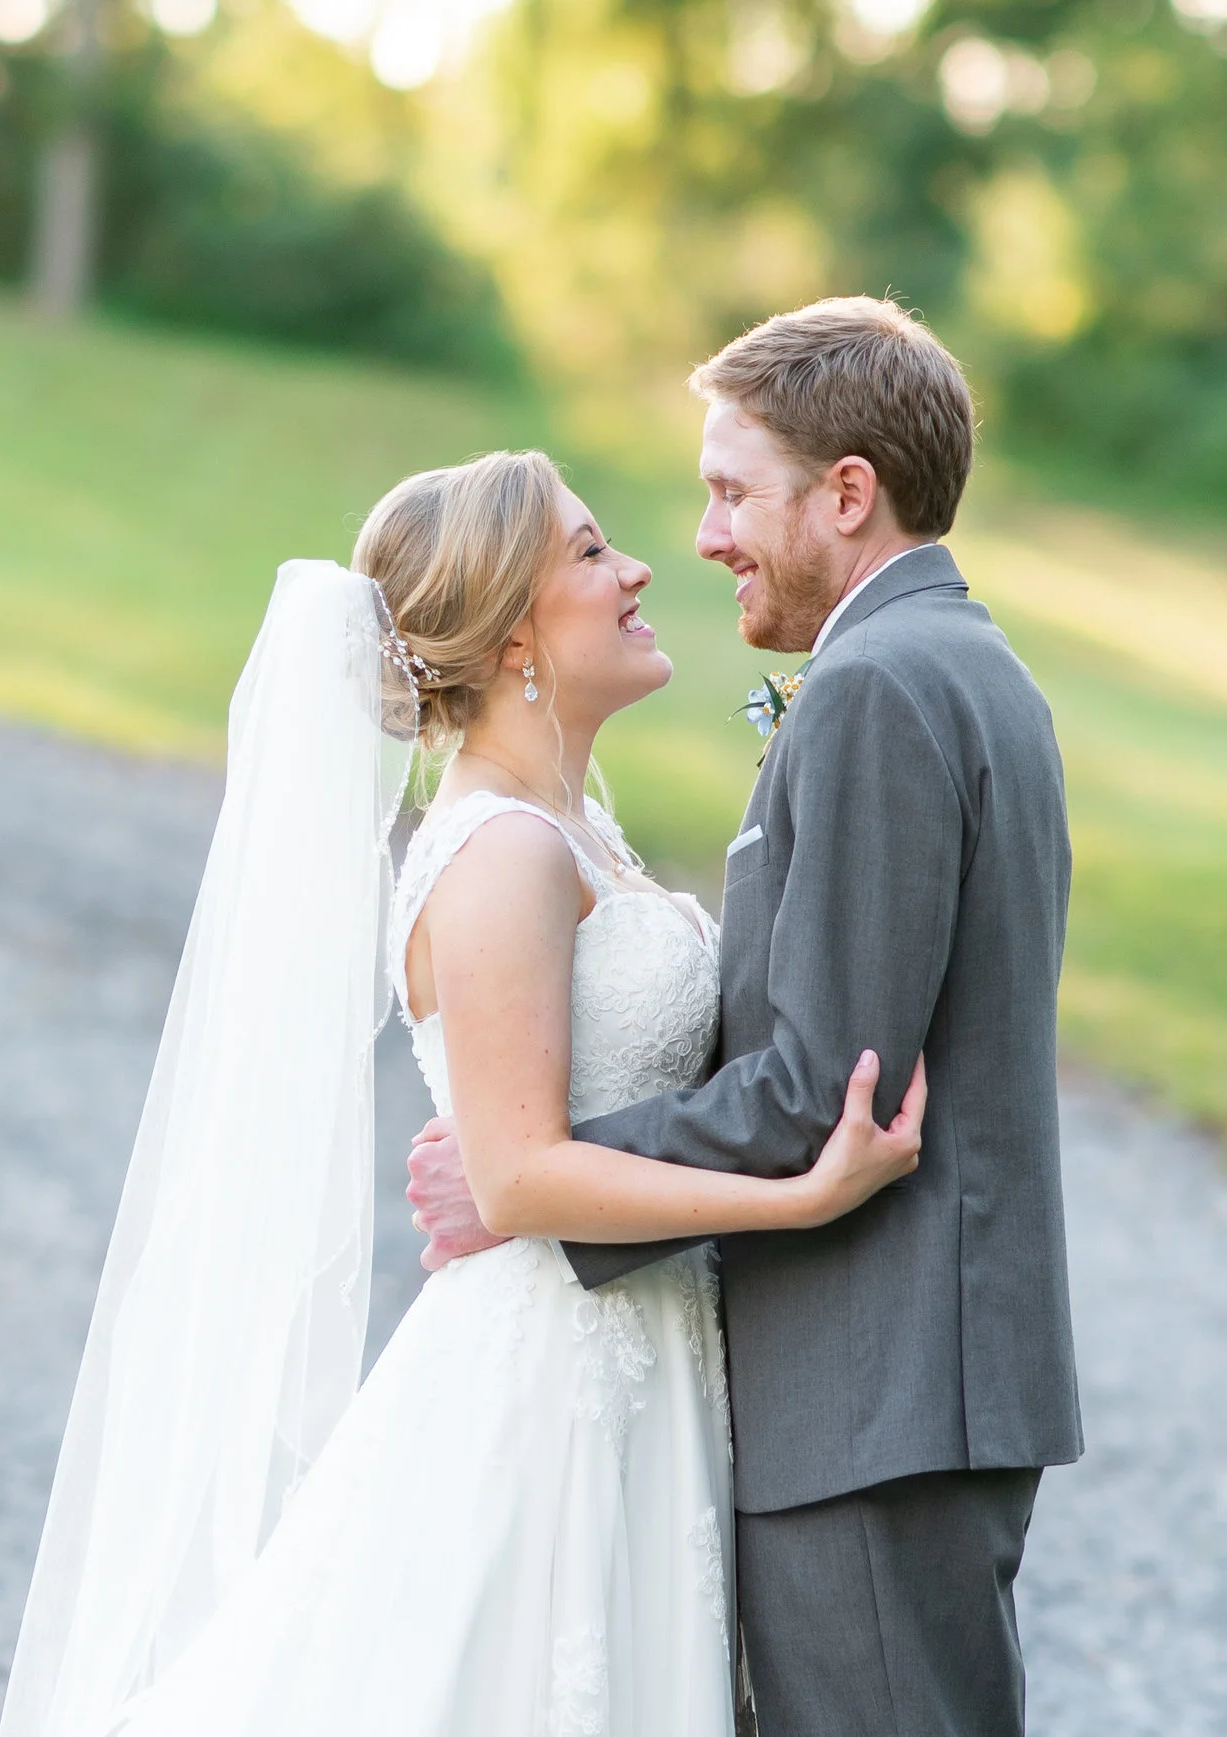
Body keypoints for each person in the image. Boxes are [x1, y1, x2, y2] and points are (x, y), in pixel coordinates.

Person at [0, 445, 922, 1737]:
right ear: (510, 639)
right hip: (548, 1379)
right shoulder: (503, 854)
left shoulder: (576, 831)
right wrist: (807, 1198)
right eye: (592, 553)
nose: (642, 566)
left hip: (638, 1353)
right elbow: (517, 1176)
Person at [408, 296, 1081, 1737]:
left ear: (847, 494)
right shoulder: (962, 663)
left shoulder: (876, 690)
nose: (704, 538)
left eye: (731, 493)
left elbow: (814, 1093)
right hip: (897, 1388)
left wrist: (529, 1180)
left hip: (872, 1391)